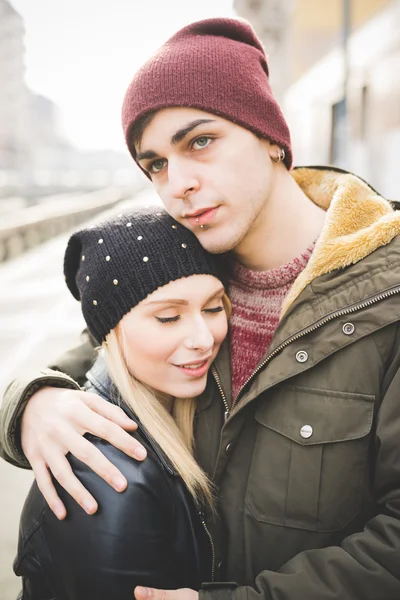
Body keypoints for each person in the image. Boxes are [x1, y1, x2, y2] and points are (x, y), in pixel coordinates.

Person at [3, 16, 400, 600]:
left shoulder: (386, 293)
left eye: (200, 141)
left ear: (271, 138)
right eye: (155, 163)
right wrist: (33, 402)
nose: (177, 183)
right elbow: (96, 345)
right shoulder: (188, 271)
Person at [13, 206, 230, 599]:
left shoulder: (172, 408)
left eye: (214, 308)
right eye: (168, 317)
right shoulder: (107, 479)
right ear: (109, 333)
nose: (204, 337)